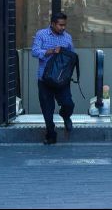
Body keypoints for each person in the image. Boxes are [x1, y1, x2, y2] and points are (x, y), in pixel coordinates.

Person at [31, 12, 75, 145]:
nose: (63, 28)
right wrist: (50, 51)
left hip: (61, 79)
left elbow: (72, 55)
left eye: (64, 25)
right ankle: (51, 135)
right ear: (52, 24)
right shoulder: (41, 34)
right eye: (60, 25)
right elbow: (34, 51)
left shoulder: (67, 37)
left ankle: (65, 115)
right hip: (45, 79)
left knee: (68, 103)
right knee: (47, 110)